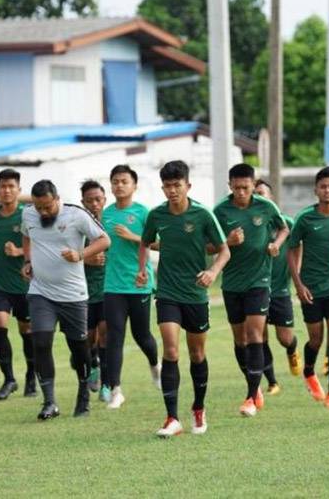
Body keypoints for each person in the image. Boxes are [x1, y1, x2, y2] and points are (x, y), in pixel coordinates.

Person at [138, 160, 230, 437]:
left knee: (197, 353)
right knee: (171, 351)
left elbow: (225, 251)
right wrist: (142, 269)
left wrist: (212, 271)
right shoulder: (156, 215)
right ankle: (171, 418)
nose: (172, 191)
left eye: (177, 185)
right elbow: (144, 243)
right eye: (167, 186)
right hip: (167, 292)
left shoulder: (203, 215)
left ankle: (198, 408)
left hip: (195, 294)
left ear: (187, 185)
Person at [21, 180, 110, 420]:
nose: (43, 212)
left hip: (72, 294)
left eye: (47, 207)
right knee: (40, 341)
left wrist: (80, 255)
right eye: (39, 207)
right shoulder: (28, 214)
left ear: (57, 199)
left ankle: (83, 392)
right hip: (41, 291)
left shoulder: (76, 215)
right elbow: (26, 236)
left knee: (79, 347)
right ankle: (49, 402)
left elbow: (104, 240)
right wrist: (28, 261)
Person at [213, 163, 289, 418]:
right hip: (232, 283)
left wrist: (276, 244)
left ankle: (250, 396)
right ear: (230, 186)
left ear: (253, 185)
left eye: (246, 188)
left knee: (255, 334)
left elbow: (284, 228)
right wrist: (228, 242)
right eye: (237, 188)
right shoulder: (220, 211)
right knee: (240, 340)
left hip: (259, 282)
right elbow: (208, 245)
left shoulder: (266, 207)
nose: (241, 192)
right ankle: (253, 386)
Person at [287, 167, 329, 409]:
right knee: (315, 339)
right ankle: (309, 371)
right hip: (310, 288)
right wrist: (298, 283)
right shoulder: (305, 218)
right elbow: (292, 250)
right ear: (316, 190)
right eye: (323, 186)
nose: (328, 190)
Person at [101, 165, 160, 409]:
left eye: (124, 181)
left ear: (134, 186)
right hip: (113, 285)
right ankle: (116, 390)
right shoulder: (105, 215)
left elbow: (158, 244)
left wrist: (133, 237)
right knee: (114, 336)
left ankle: (156, 366)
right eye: (115, 181)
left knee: (142, 335)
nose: (119, 185)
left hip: (139, 282)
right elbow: (99, 243)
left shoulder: (144, 213)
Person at [0, 169, 36, 400]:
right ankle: (9, 379)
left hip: (24, 283)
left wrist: (20, 251)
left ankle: (32, 377)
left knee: (27, 332)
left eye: (11, 186)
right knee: (0, 326)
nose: (7, 190)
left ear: (19, 190)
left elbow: (39, 244)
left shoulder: (28, 215)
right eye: (3, 186)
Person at [253, 180, 303, 394]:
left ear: (271, 197)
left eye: (262, 193)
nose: (258, 197)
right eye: (255, 194)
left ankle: (292, 349)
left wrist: (296, 273)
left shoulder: (287, 223)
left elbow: (297, 247)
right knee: (259, 337)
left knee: (284, 338)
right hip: (256, 289)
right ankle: (272, 382)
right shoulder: (253, 224)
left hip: (280, 289)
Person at [80, 180, 107, 396]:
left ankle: (108, 382)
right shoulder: (78, 226)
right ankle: (93, 366)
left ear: (104, 200)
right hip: (84, 290)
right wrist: (85, 259)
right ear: (83, 202)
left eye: (98, 199)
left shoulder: (112, 221)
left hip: (109, 288)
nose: (94, 204)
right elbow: (65, 253)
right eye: (89, 200)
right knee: (89, 337)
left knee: (106, 333)